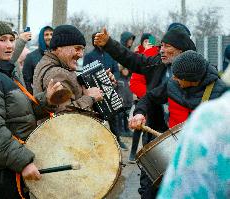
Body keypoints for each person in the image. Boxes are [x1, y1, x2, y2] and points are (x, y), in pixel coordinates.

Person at [0, 20, 63, 199]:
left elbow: (18, 111)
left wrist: (46, 99)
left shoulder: (0, 72)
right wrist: (23, 162)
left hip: (6, 162)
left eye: (11, 39)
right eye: (2, 40)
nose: (9, 45)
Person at [94, 25, 196, 199]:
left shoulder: (199, 72)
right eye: (161, 45)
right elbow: (131, 59)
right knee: (149, 188)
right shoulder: (155, 62)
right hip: (156, 137)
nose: (161, 50)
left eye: (167, 47)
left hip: (186, 142)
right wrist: (109, 44)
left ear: (181, 50)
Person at [157, 66, 230, 199]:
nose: (173, 78)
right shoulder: (172, 86)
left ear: (190, 78)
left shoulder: (212, 115)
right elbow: (151, 97)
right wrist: (140, 112)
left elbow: (184, 190)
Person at [129, 50, 227, 130]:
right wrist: (139, 113)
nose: (174, 78)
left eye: (178, 77)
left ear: (191, 80)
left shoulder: (222, 94)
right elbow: (149, 98)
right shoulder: (173, 84)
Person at [33, 25, 103, 115]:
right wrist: (90, 98)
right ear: (59, 48)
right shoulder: (58, 74)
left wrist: (101, 82)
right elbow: (64, 118)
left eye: (82, 50)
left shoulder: (47, 63)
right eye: (77, 49)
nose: (81, 54)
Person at [83, 31, 127, 150]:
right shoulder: (88, 56)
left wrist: (114, 80)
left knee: (115, 115)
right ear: (94, 42)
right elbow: (85, 74)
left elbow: (116, 71)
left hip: (111, 89)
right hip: (95, 91)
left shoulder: (110, 55)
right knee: (97, 116)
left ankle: (117, 138)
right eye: (96, 40)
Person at [128, 33, 160, 163]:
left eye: (150, 42)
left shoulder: (156, 56)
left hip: (152, 96)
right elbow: (134, 78)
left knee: (150, 127)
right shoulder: (138, 56)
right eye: (145, 42)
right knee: (138, 126)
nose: (148, 44)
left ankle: (149, 156)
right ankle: (132, 153)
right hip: (142, 97)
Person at [23, 26, 53, 94]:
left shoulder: (59, 55)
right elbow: (26, 81)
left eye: (52, 34)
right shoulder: (31, 57)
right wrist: (32, 98)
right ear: (41, 37)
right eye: (46, 34)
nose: (50, 37)